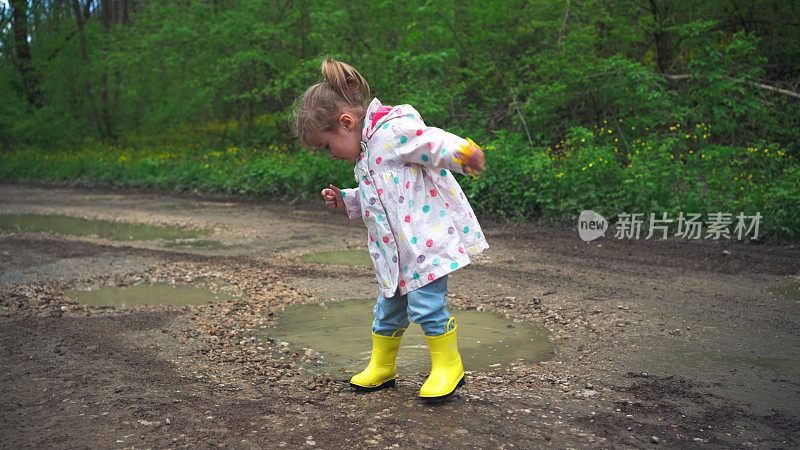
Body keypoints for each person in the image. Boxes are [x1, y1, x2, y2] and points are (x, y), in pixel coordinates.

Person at [292, 58, 488, 399]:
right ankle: (383, 367)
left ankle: (448, 366)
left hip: (424, 245)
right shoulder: (365, 154)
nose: (330, 155)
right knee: (388, 311)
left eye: (326, 146)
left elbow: (432, 142)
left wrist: (462, 153)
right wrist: (348, 200)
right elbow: (379, 195)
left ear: (346, 122)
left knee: (427, 307)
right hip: (394, 256)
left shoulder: (393, 132)